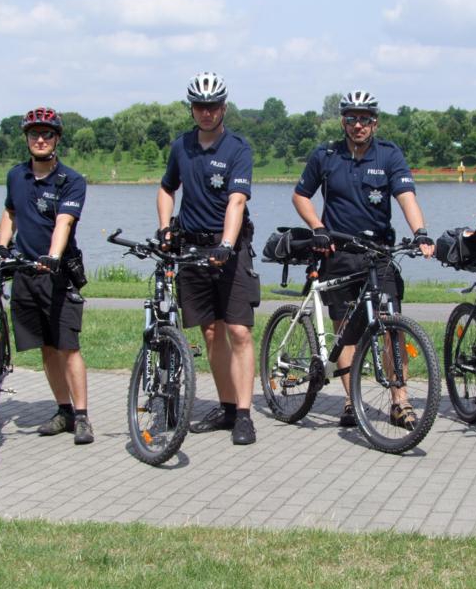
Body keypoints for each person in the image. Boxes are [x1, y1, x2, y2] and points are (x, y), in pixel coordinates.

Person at [292, 89, 435, 428]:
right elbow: (300, 196)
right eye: (352, 118)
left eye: (365, 118)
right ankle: (350, 399)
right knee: (346, 329)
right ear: (343, 121)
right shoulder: (326, 155)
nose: (358, 125)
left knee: (391, 326)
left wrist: (421, 232)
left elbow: (406, 197)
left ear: (375, 122)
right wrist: (317, 226)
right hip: (338, 253)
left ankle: (400, 401)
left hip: (378, 255)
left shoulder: (388, 155)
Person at [157, 72, 260, 445]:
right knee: (212, 331)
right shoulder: (181, 147)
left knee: (238, 331)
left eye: (213, 106)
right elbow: (167, 189)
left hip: (228, 247)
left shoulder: (237, 148)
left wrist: (227, 245)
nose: (206, 112)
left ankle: (245, 416)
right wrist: (166, 226)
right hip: (191, 246)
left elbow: (237, 200)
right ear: (192, 109)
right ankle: (227, 407)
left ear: (224, 108)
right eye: (200, 106)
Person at [0, 106, 93, 444]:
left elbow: (64, 222)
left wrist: (52, 256)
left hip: (57, 274)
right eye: (34, 133)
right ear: (26, 138)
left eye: (47, 133)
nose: (40, 139)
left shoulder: (71, 181)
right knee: (46, 347)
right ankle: (63, 411)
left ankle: (81, 416)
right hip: (24, 273)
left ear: (57, 139)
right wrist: (1, 246)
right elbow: (11, 212)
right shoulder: (15, 176)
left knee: (68, 346)